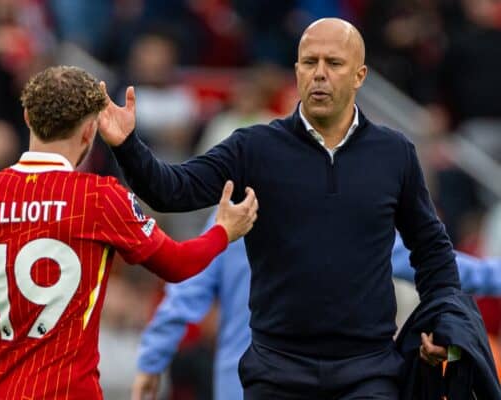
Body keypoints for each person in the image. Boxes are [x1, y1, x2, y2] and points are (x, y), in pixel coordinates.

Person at [98, 18, 468, 398]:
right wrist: (127, 145)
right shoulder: (254, 148)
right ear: (296, 72)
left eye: (334, 63)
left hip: (368, 369)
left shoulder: (395, 153)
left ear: (359, 76)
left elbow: (431, 249)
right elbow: (171, 192)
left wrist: (446, 323)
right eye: (310, 62)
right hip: (278, 370)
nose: (319, 74)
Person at [0, 66, 258, 400]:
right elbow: (177, 264)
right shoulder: (99, 198)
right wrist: (222, 232)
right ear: (90, 132)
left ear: (28, 119)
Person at [130, 211, 501, 400]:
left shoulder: (234, 216)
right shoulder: (354, 216)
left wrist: (151, 361)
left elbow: (184, 296)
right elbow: (441, 265)